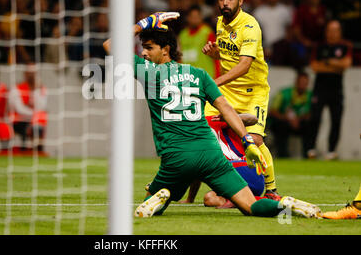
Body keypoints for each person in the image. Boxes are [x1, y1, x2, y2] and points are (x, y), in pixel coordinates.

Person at [103, 12, 322, 219]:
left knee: (152, 201)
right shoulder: (200, 74)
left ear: (166, 49)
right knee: (250, 205)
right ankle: (285, 205)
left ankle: (159, 196)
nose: (143, 53)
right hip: (210, 155)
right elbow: (226, 109)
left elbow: (109, 45)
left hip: (176, 157)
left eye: (149, 48)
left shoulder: (147, 72)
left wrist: (146, 22)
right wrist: (247, 140)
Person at [202, 0, 280, 200]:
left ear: (241, 0)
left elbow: (245, 65)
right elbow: (230, 57)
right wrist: (216, 53)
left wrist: (213, 83)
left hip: (252, 91)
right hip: (228, 90)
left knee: (255, 140)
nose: (225, 2)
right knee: (203, 129)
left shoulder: (249, 25)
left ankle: (272, 190)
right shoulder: (219, 23)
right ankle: (225, 182)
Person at [179, 113, 265, 208]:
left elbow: (253, 119)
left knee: (208, 167)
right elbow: (197, 170)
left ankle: (236, 201)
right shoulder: (188, 137)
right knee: (210, 199)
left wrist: (228, 117)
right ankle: (256, 200)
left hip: (245, 169)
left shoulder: (212, 121)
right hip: (239, 180)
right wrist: (190, 199)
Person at [304, 20, 352, 160]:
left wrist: (327, 62)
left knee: (336, 120)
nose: (332, 33)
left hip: (336, 90)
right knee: (315, 118)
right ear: (326, 32)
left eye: (335, 30)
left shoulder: (345, 46)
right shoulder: (319, 46)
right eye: (330, 30)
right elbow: (314, 67)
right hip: (320, 89)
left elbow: (346, 64)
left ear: (340, 32)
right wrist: (336, 66)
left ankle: (331, 151)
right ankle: (310, 149)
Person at [269, 71, 312, 158]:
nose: (303, 85)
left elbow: (311, 113)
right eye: (301, 82)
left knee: (311, 125)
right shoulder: (284, 93)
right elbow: (272, 111)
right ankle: (282, 155)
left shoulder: (310, 96)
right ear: (296, 82)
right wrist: (286, 118)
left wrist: (297, 120)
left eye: (305, 83)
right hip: (283, 122)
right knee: (280, 126)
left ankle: (307, 155)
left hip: (299, 123)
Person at [9, 63, 48, 153]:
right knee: (30, 126)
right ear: (25, 74)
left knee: (39, 123)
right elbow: (19, 109)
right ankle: (24, 150)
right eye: (29, 73)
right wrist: (34, 114)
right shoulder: (16, 89)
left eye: (33, 73)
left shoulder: (41, 89)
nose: (31, 75)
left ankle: (38, 151)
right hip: (18, 121)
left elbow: (41, 107)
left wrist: (36, 90)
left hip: (33, 121)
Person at [178, 5, 220, 78]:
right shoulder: (182, 35)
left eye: (197, 17)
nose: (195, 19)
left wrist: (217, 76)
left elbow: (216, 56)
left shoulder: (207, 33)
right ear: (188, 18)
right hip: (188, 79)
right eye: (193, 17)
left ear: (201, 17)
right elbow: (179, 57)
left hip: (206, 78)